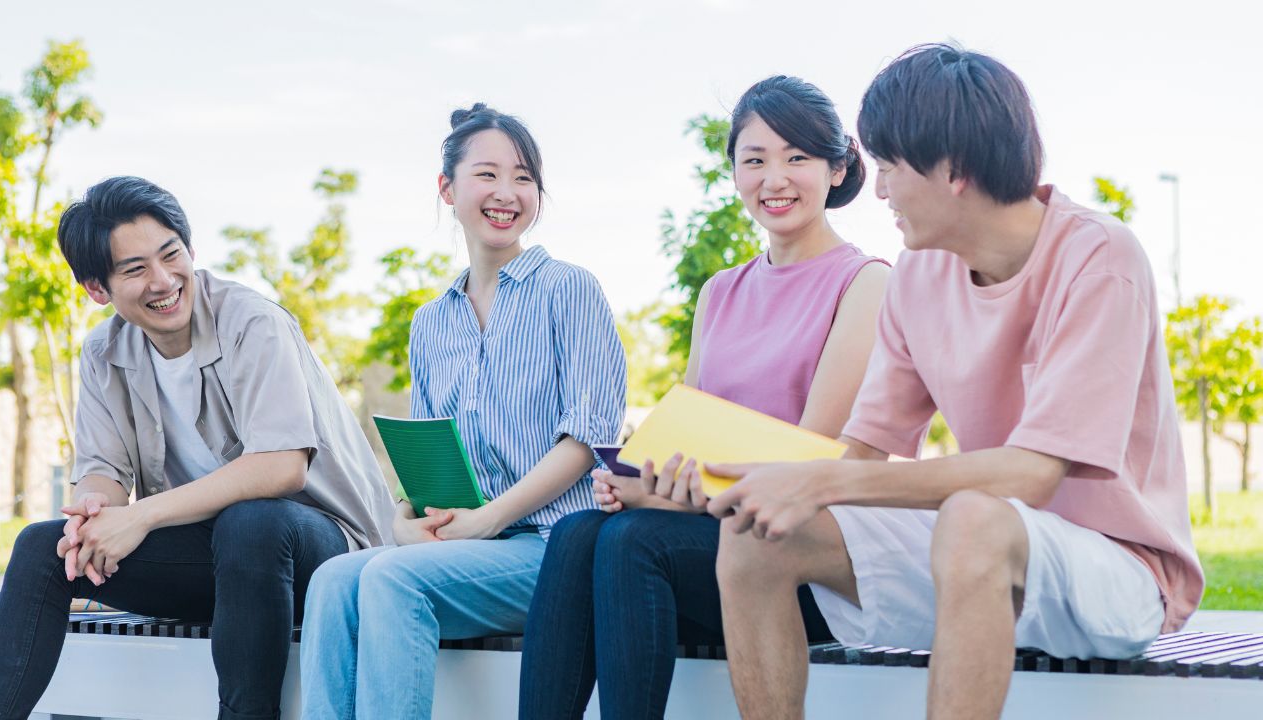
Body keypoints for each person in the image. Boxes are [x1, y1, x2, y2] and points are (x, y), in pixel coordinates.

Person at [708, 44, 1204, 720]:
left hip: (1118, 572)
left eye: (887, 168)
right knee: (754, 537)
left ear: (955, 169)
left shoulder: (1101, 256)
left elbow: (1032, 477)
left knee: (974, 516)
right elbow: (863, 452)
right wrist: (740, 481)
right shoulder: (918, 275)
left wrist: (823, 481)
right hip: (979, 550)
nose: (877, 191)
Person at [518, 76, 890, 720]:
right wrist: (632, 474)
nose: (774, 178)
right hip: (712, 534)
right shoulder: (720, 291)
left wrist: (654, 493)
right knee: (579, 532)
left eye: (796, 157)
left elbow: (813, 465)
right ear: (735, 173)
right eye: (755, 160)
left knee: (632, 539)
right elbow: (684, 431)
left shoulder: (866, 283)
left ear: (836, 168)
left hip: (801, 557)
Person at [0, 176, 396, 720]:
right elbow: (103, 470)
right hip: (222, 566)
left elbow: (282, 467)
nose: (163, 280)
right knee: (44, 548)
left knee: (252, 522)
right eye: (134, 270)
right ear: (97, 289)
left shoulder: (253, 322)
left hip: (325, 558)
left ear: (190, 249)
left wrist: (141, 517)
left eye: (170, 254)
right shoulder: (104, 352)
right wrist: (93, 516)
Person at [299, 103, 627, 720]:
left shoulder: (570, 289)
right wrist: (403, 520)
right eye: (488, 174)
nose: (507, 192)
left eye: (524, 177)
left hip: (556, 546)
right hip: (471, 548)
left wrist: (484, 521)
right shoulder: (430, 322)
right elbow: (431, 459)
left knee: (393, 581)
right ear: (447, 189)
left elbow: (588, 439)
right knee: (334, 581)